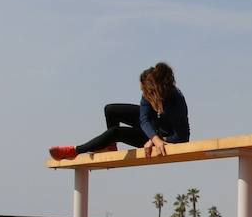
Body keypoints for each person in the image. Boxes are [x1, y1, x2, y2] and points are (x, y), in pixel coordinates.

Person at [49, 63, 190, 160]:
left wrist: (158, 141)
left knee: (115, 132)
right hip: (154, 131)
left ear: (154, 90)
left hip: (167, 136)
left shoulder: (175, 100)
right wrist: (154, 138)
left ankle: (75, 151)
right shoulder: (147, 95)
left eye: (144, 91)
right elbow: (144, 119)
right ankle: (110, 146)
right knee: (110, 110)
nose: (143, 94)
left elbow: (183, 138)